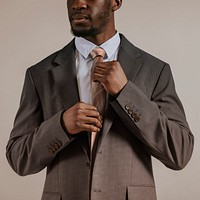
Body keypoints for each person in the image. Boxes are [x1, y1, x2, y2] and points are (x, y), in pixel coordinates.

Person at [6, 0, 194, 200]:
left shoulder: (155, 70)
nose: (78, 3)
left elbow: (179, 153)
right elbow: (19, 158)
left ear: (116, 2)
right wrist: (61, 126)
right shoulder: (40, 74)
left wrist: (125, 92)